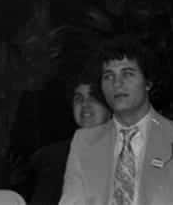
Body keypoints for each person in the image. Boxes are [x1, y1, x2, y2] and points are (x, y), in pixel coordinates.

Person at [59, 35, 173, 205]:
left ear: (148, 82)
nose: (117, 84)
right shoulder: (84, 142)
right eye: (108, 76)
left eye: (127, 74)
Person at [27, 69, 111, 204]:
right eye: (79, 98)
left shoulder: (129, 148)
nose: (85, 105)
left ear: (110, 106)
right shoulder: (53, 157)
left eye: (94, 98)